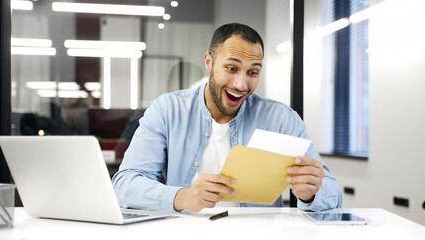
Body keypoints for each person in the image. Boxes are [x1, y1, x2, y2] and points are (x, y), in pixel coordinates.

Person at [112, 23, 342, 213]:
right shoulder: (166, 110)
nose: (241, 85)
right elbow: (125, 184)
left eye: (253, 72)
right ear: (209, 62)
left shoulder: (282, 119)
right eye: (231, 68)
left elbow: (332, 192)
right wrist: (183, 197)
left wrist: (312, 193)